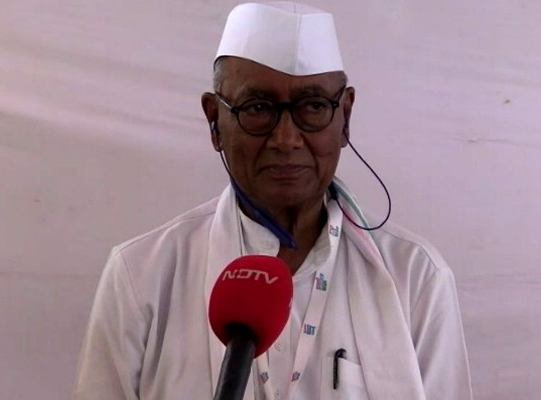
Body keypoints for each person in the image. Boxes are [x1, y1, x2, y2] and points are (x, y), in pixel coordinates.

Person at [73, 2, 472, 400]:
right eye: (258, 108)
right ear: (214, 122)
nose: (286, 139)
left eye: (313, 107)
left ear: (345, 117)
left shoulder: (415, 277)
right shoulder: (142, 275)